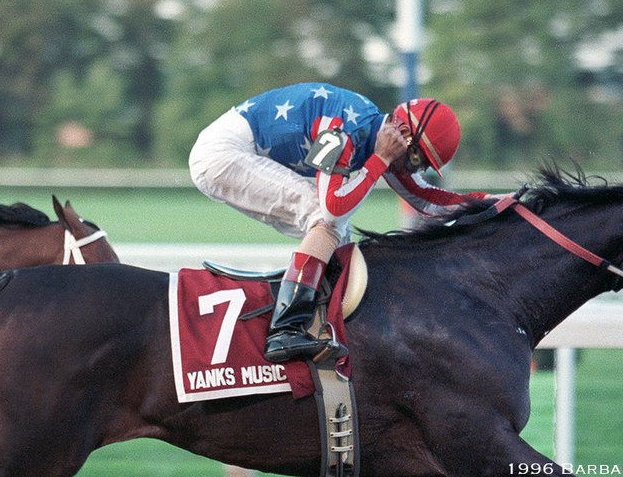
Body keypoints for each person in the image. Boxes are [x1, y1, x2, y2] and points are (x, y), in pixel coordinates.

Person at [189, 82, 485, 363]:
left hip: (236, 149)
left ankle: (324, 324)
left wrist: (497, 201)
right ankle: (285, 329)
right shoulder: (344, 128)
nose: (412, 171)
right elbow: (333, 209)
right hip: (222, 154)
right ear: (403, 134)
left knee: (339, 235)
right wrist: (380, 159)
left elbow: (426, 198)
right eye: (416, 161)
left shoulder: (378, 134)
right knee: (325, 219)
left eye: (420, 166)